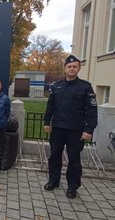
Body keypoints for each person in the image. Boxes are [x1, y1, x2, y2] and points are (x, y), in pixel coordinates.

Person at [43, 55, 98, 199]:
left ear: (78, 68)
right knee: (54, 156)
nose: (72, 69)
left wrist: (89, 129)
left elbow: (92, 109)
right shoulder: (56, 86)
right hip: (58, 129)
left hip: (75, 130)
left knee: (74, 160)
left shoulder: (85, 87)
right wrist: (46, 121)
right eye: (69, 66)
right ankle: (54, 181)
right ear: (65, 68)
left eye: (74, 66)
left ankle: (72, 187)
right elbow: (50, 105)